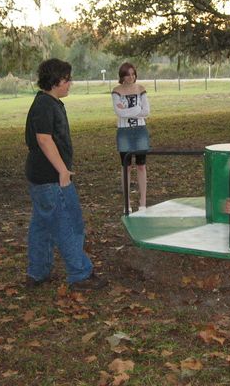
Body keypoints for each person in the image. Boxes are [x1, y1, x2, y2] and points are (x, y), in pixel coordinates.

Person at [24, 58, 105, 290]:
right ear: (56, 81)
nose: (70, 83)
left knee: (42, 225)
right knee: (69, 223)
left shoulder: (49, 102)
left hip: (42, 177)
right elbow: (43, 139)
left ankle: (37, 272)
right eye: (67, 79)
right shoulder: (45, 105)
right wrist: (62, 171)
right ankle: (80, 274)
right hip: (51, 178)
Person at [112, 62, 150, 213]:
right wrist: (137, 109)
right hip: (124, 132)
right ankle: (126, 203)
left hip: (140, 130)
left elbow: (146, 111)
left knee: (141, 166)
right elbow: (119, 113)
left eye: (133, 74)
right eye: (127, 74)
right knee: (126, 167)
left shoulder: (141, 89)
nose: (131, 77)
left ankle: (143, 202)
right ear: (122, 76)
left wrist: (128, 110)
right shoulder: (116, 91)